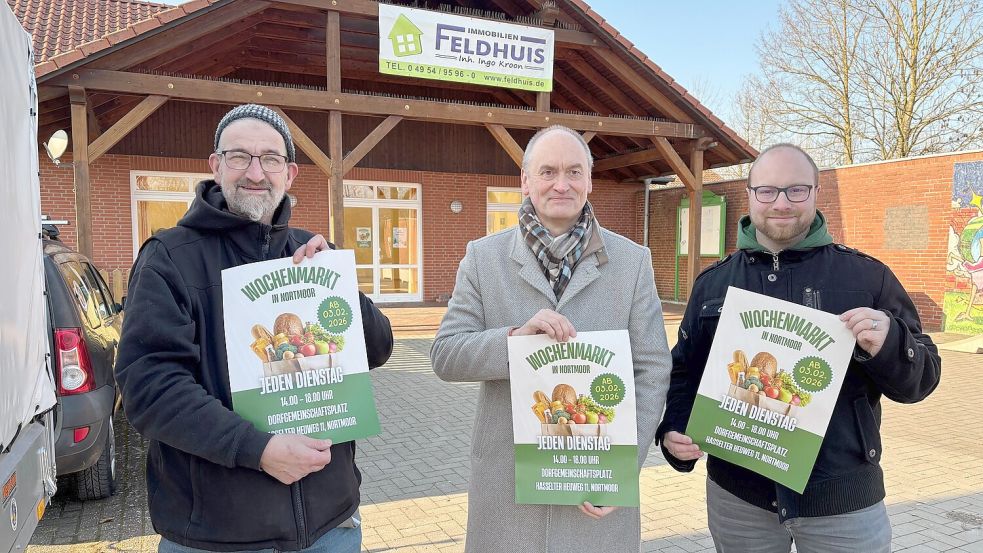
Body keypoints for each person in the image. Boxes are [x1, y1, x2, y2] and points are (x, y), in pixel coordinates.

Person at [115, 104, 394, 553]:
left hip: (332, 525)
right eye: (240, 156)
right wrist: (256, 448)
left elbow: (378, 347)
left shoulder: (311, 251)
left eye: (270, 158)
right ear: (216, 166)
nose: (255, 172)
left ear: (290, 174)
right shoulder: (169, 258)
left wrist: (339, 287)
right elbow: (150, 388)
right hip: (220, 536)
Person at [656, 144, 941, 552]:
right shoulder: (713, 284)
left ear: (816, 193)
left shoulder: (867, 276)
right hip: (740, 498)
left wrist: (890, 342)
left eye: (796, 190)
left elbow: (922, 377)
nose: (781, 203)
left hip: (840, 498)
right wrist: (675, 428)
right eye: (767, 191)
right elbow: (683, 371)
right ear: (750, 194)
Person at [430, 125, 672, 552]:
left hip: (595, 490)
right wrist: (514, 341)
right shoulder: (483, 258)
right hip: (509, 493)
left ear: (589, 181)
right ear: (526, 181)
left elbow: (651, 370)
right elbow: (446, 355)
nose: (562, 183)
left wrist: (622, 469)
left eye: (574, 172)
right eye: (548, 172)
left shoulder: (633, 263)